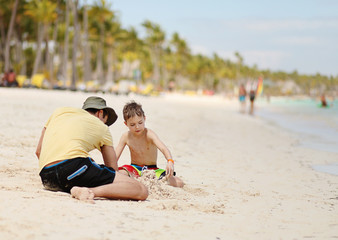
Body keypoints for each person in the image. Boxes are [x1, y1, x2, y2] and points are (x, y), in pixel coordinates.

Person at [35, 96, 148, 203]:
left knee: (87, 167)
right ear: (100, 113)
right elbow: (112, 169)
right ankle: (90, 191)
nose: (105, 125)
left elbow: (38, 151)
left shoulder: (60, 112)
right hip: (73, 168)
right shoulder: (102, 128)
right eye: (105, 121)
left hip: (47, 177)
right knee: (141, 190)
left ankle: (77, 187)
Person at [115, 101, 184, 188]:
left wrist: (170, 161)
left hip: (152, 169)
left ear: (144, 119)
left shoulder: (149, 134)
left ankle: (142, 181)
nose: (137, 127)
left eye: (140, 123)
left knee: (179, 182)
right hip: (135, 168)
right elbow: (115, 156)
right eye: (132, 125)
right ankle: (137, 181)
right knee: (120, 174)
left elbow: (163, 148)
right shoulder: (126, 136)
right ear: (126, 124)